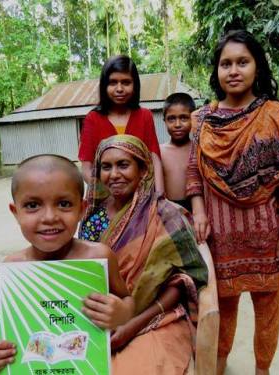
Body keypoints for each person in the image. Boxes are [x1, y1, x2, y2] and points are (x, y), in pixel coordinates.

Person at [186, 30, 279, 375]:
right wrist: (198, 210)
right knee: (222, 311)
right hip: (220, 238)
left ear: (257, 67)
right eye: (225, 63)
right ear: (216, 71)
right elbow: (193, 172)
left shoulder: (276, 115)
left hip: (266, 236)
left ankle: (263, 370)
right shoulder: (201, 121)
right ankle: (218, 365)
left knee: (268, 309)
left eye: (242, 62)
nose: (233, 70)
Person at [0, 154, 135, 373]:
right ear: (16, 212)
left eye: (64, 204)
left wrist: (121, 314)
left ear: (82, 210)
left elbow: (127, 300)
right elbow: (5, 323)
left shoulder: (98, 257)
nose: (49, 217)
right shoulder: (15, 268)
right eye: (33, 205)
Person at [79, 135, 209, 374]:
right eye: (106, 167)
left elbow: (183, 281)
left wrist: (131, 326)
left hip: (156, 316)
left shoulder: (167, 216)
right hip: (100, 317)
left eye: (123, 165)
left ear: (143, 169)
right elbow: (84, 276)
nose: (114, 174)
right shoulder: (91, 219)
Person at [78, 55, 164, 193]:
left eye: (126, 82)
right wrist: (110, 195)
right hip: (105, 199)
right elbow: (86, 168)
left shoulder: (145, 116)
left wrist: (159, 196)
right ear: (104, 86)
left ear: (135, 85)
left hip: (141, 196)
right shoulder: (92, 119)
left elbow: (154, 160)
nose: (119, 89)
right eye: (112, 83)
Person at [160, 93, 196, 212]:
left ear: (193, 119)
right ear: (164, 120)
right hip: (168, 211)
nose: (177, 124)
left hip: (197, 208)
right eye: (171, 119)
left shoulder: (199, 150)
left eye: (184, 118)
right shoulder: (159, 152)